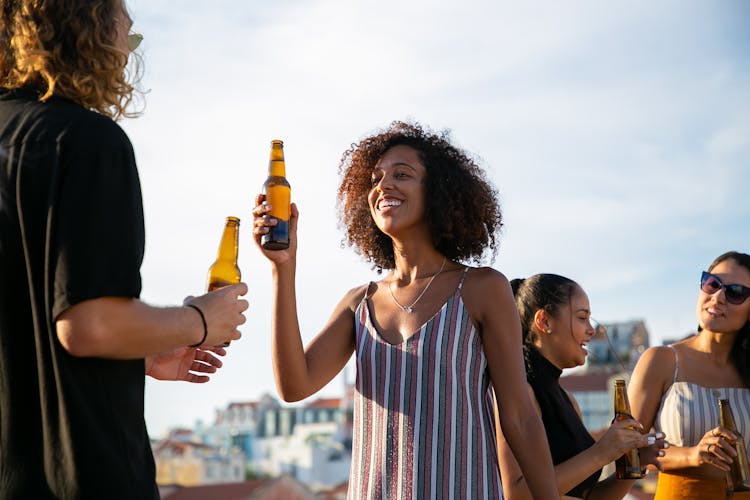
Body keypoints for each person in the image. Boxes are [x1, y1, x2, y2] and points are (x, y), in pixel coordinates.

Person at [0, 1, 248, 498]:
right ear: (88, 29)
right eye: (125, 34)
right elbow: (89, 327)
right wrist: (199, 321)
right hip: (82, 477)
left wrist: (138, 357)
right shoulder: (86, 142)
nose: (126, 51)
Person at [252, 121, 558, 499]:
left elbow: (520, 417)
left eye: (402, 174)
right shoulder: (358, 303)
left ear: (438, 191)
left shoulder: (482, 289)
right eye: (376, 178)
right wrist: (283, 268)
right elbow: (294, 386)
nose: (384, 186)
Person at [496, 274, 665, 499]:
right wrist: (601, 453)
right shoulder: (519, 393)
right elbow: (515, 494)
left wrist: (637, 464)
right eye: (582, 317)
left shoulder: (568, 401)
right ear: (544, 321)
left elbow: (586, 496)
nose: (591, 330)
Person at [629, 251, 750, 499]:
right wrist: (693, 454)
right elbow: (627, 452)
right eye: (712, 284)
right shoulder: (661, 360)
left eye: (735, 292)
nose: (717, 297)